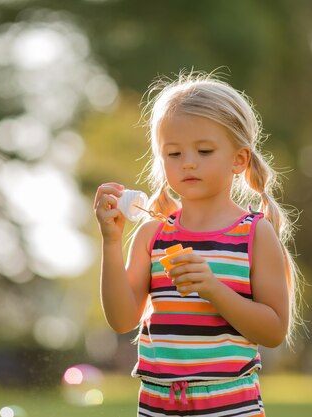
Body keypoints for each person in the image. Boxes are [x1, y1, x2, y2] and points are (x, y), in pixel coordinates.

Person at [93, 70, 301, 417]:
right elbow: (121, 318)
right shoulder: (152, 235)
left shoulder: (254, 234)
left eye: (204, 150)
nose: (187, 162)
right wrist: (111, 241)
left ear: (239, 159)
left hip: (230, 405)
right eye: (173, 154)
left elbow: (274, 329)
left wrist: (214, 290)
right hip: (158, 405)